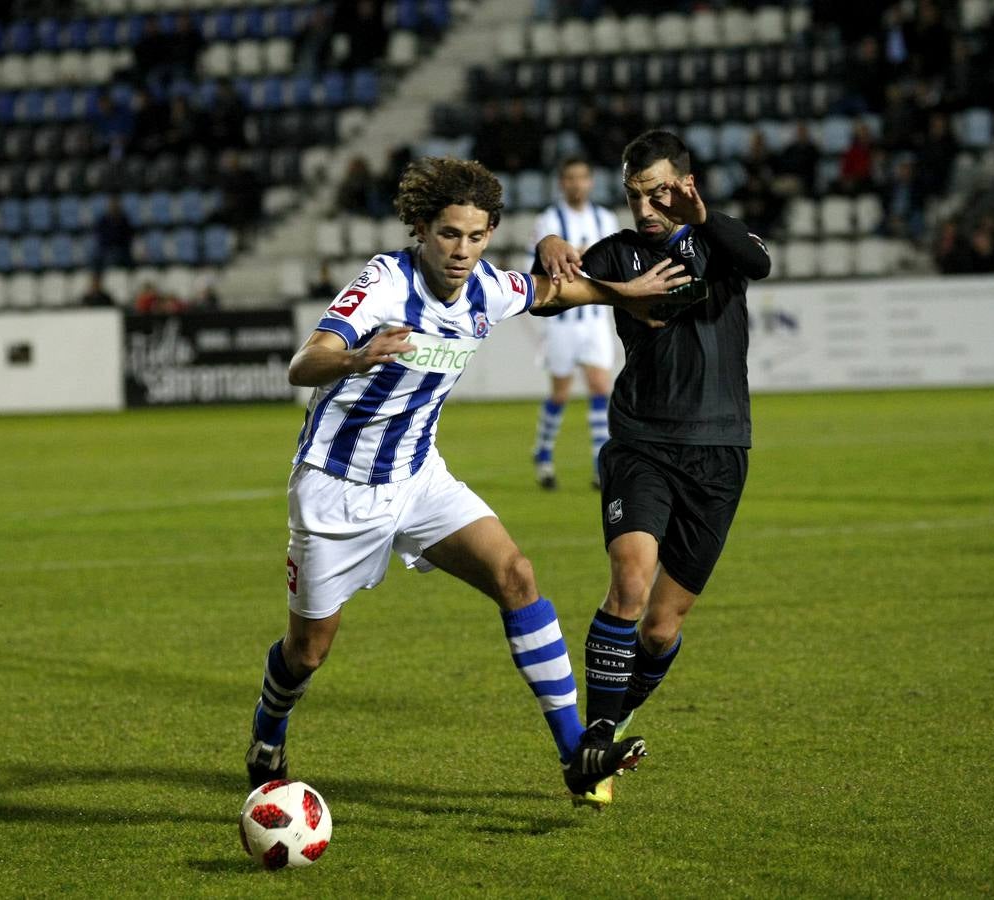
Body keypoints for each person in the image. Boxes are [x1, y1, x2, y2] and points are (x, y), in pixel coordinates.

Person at [245, 156, 695, 807]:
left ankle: (577, 755)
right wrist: (355, 356)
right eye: (450, 234)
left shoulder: (485, 287)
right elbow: (302, 363)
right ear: (422, 228)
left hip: (420, 478)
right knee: (307, 652)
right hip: (336, 490)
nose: (462, 250)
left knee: (516, 574)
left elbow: (547, 291)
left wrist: (623, 294)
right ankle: (267, 732)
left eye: (477, 235)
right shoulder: (384, 282)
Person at [534, 131, 771, 806]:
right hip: (641, 440)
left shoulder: (722, 247)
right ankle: (596, 737)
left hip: (721, 450)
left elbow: (760, 263)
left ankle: (616, 720)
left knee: (662, 628)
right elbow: (550, 292)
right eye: (636, 194)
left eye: (659, 191)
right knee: (630, 581)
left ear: (686, 185)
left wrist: (702, 221)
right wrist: (548, 252)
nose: (645, 206)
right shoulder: (618, 253)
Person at [526, 157, 621, 490]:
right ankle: (543, 453)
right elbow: (535, 266)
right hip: (562, 321)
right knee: (561, 392)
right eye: (570, 178)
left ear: (591, 181)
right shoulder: (548, 221)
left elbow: (613, 264)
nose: (577, 184)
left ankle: (599, 463)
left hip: (595, 318)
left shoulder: (606, 219)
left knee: (599, 386)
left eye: (582, 177)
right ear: (561, 183)